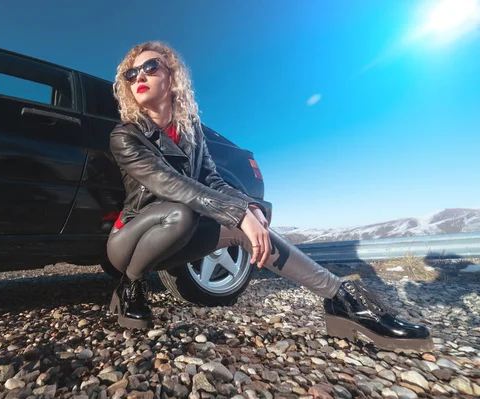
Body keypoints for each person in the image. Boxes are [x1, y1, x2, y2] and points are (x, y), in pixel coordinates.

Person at [106, 41, 432, 352]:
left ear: (172, 76)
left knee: (245, 229)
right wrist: (239, 213)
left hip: (177, 239)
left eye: (150, 67)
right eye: (131, 74)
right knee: (183, 212)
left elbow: (215, 182)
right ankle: (131, 284)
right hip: (129, 240)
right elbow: (171, 185)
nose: (140, 77)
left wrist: (250, 207)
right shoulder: (125, 136)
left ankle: (341, 298)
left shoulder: (192, 135)